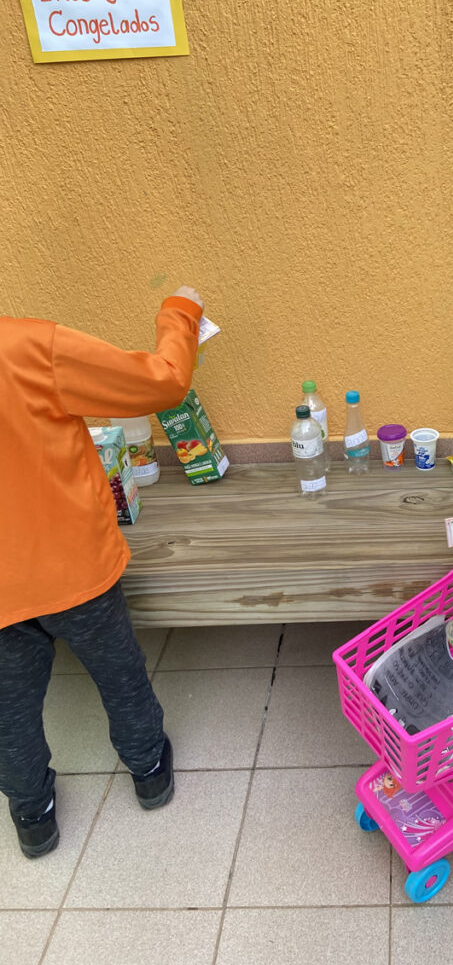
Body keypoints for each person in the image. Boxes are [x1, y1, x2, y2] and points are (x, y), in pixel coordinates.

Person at [0, 286, 203, 857]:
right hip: (74, 567)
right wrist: (181, 312)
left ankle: (32, 816)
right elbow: (163, 382)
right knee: (120, 676)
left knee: (9, 710)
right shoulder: (28, 348)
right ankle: (149, 772)